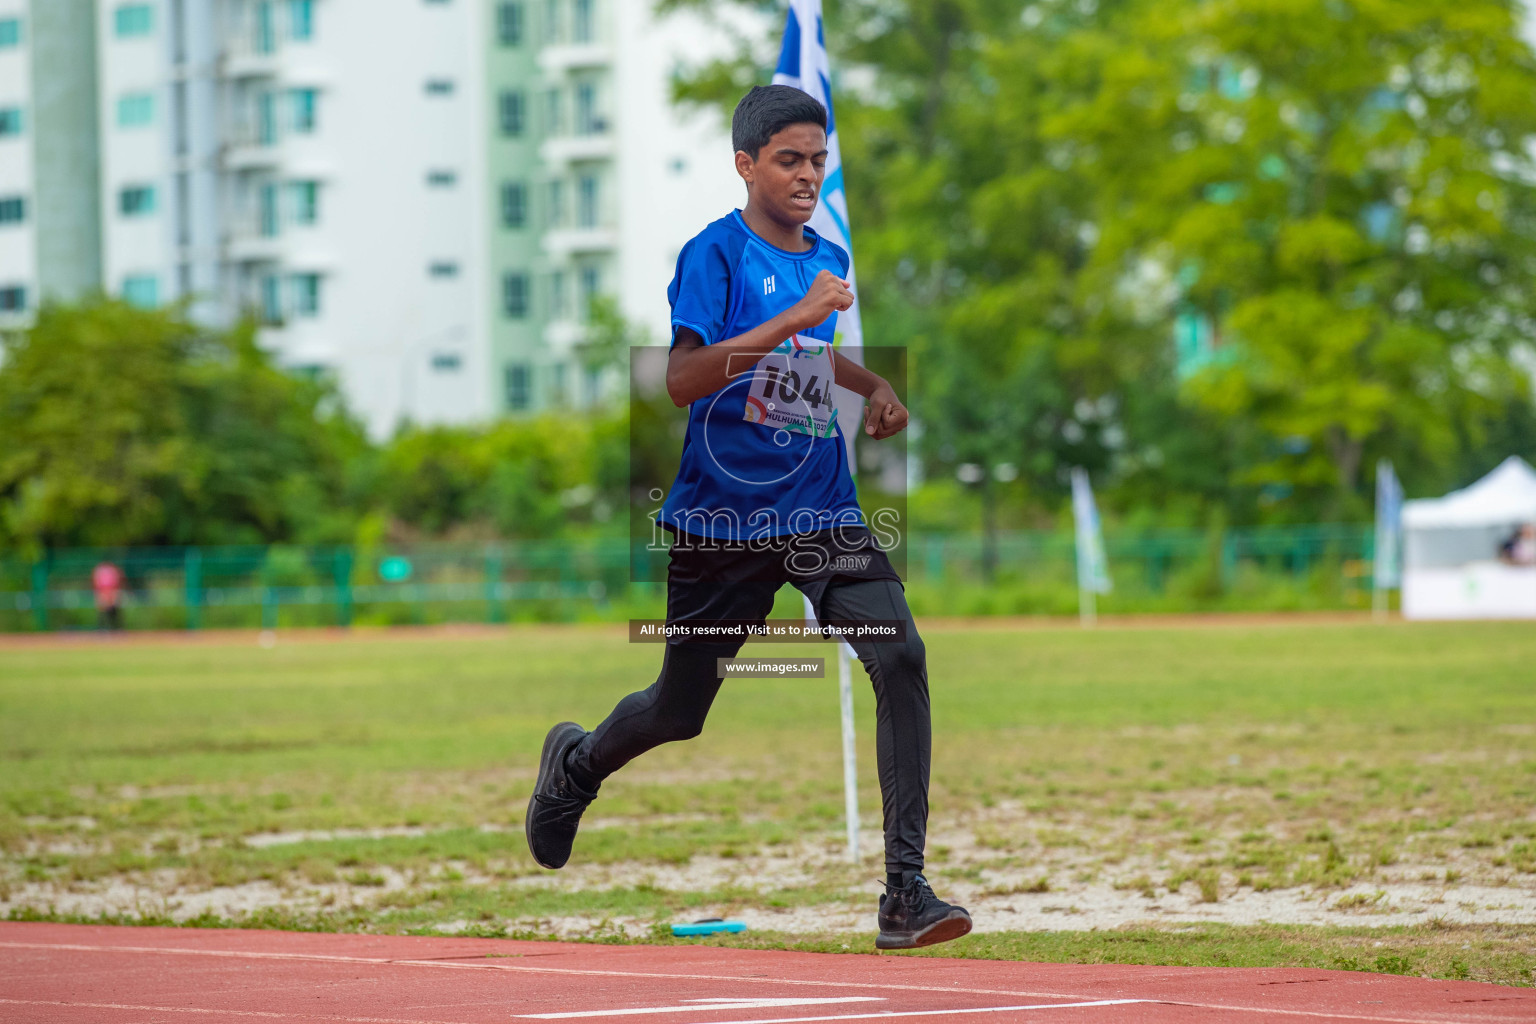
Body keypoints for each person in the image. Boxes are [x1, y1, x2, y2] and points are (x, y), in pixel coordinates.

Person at [524, 85, 971, 951]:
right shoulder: (714, 255)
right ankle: (574, 766)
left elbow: (811, 354)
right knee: (678, 711)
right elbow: (682, 380)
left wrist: (871, 386)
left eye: (819, 159)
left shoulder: (826, 252)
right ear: (746, 164)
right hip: (721, 523)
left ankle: (903, 893)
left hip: (821, 511)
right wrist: (798, 315)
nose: (809, 175)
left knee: (901, 654)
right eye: (790, 160)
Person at [92, 560, 123, 631]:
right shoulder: (101, 570)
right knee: (102, 610)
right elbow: (96, 583)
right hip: (103, 591)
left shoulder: (110, 570)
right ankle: (102, 628)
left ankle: (116, 627)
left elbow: (116, 582)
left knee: (114, 610)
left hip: (111, 591)